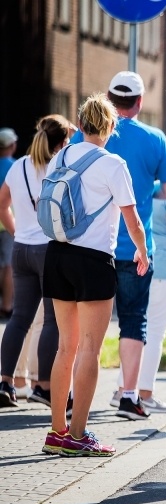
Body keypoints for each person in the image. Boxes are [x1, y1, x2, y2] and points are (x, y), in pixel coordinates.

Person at [42, 93, 149, 457]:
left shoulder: (61, 156)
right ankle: (78, 435)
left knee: (65, 347)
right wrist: (142, 250)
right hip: (93, 259)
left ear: (81, 123)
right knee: (90, 348)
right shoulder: (113, 164)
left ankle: (57, 431)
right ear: (111, 126)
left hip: (56, 254)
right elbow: (132, 219)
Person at [71, 72, 166, 420]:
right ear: (140, 101)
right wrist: (145, 188)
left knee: (83, 324)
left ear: (107, 97)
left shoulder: (82, 136)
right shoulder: (156, 139)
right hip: (135, 247)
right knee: (133, 320)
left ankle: (72, 395)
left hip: (88, 246)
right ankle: (129, 397)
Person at [110, 138, 166, 414]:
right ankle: (144, 394)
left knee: (135, 329)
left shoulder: (143, 189)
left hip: (138, 262)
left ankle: (122, 389)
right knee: (153, 333)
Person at [0, 115, 73, 409]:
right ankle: (44, 387)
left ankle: (5, 382)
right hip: (48, 250)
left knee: (19, 318)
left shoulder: (17, 166)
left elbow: (2, 204)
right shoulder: (59, 167)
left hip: (21, 249)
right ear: (62, 143)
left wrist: (17, 231)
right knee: (52, 320)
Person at [0, 127, 19, 319]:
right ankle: (6, 305)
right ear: (12, 145)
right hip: (7, 222)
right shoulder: (15, 167)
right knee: (8, 265)